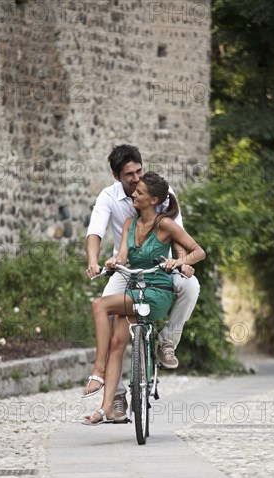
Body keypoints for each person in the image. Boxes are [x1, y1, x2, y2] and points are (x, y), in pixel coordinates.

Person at [85, 145, 200, 421]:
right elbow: (95, 231)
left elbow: (180, 237)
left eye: (139, 171)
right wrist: (93, 261)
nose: (136, 179)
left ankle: (167, 342)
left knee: (191, 287)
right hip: (126, 269)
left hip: (161, 267)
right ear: (116, 176)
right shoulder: (110, 199)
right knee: (111, 327)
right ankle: (115, 398)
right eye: (129, 175)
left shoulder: (160, 191)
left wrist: (183, 262)